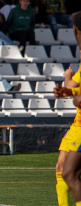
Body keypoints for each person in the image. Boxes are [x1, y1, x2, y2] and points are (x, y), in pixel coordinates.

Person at [53, 11, 81, 206]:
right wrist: (66, 89)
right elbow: (73, 89)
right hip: (76, 125)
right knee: (60, 169)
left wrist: (68, 82)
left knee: (70, 174)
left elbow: (75, 90)